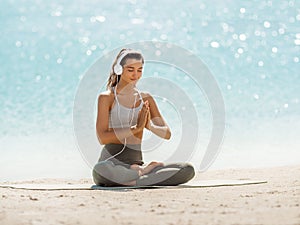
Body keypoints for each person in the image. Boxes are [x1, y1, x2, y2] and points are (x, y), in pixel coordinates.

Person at [92, 48, 195, 186]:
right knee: (100, 171)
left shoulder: (146, 98)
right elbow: (102, 137)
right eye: (130, 70)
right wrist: (135, 128)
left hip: (136, 163)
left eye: (139, 70)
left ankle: (135, 176)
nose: (135, 75)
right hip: (111, 163)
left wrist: (149, 126)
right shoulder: (107, 98)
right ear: (119, 69)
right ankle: (142, 174)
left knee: (186, 170)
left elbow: (167, 133)